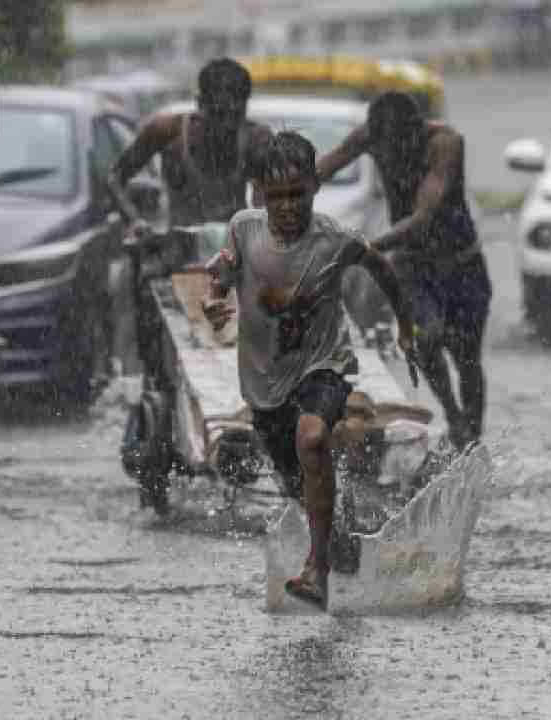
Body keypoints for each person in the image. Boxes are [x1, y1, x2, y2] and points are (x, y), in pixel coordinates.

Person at [202, 131, 416, 609]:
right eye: (276, 197)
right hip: (264, 386)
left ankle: (316, 571)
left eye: (297, 193)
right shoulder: (244, 229)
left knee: (314, 437)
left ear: (314, 188)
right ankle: (339, 543)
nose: (287, 207)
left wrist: (405, 325)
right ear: (260, 193)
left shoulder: (334, 240)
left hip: (326, 365)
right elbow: (218, 271)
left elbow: (380, 265)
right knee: (301, 486)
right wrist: (213, 300)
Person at [316, 91, 492, 452]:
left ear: (415, 132)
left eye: (397, 146)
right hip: (412, 266)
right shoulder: (371, 135)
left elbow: (423, 219)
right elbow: (324, 168)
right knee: (425, 338)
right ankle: (453, 417)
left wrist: (367, 249)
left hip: (462, 265)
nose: (391, 154)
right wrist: (283, 193)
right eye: (384, 147)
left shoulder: (444, 144)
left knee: (467, 358)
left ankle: (472, 436)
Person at [107, 57, 274, 232]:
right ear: (200, 103)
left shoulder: (257, 140)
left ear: (245, 106)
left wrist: (260, 225)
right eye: (219, 114)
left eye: (236, 115)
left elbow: (264, 202)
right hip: (179, 252)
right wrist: (134, 222)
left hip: (234, 249)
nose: (228, 125)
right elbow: (115, 179)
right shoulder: (167, 131)